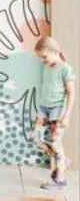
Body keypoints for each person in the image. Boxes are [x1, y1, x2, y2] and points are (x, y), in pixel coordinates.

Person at [33, 36, 75, 189]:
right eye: (40, 57)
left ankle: (60, 179)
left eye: (44, 56)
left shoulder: (65, 69)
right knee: (37, 138)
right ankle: (62, 160)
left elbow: (71, 93)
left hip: (57, 110)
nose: (42, 60)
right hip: (44, 108)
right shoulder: (46, 66)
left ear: (54, 51)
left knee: (56, 143)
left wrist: (66, 116)